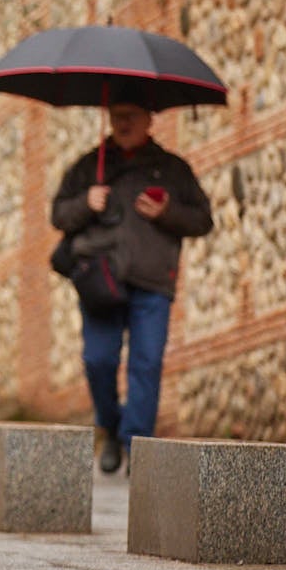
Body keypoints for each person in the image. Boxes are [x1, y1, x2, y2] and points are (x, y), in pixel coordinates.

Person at [50, 81, 213, 474]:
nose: (123, 123)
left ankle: (136, 444)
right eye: (117, 116)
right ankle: (110, 427)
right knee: (98, 360)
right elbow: (58, 215)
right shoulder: (88, 166)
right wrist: (86, 202)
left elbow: (203, 220)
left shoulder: (173, 169)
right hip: (100, 280)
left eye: (131, 117)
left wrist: (168, 211)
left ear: (148, 120)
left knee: (147, 363)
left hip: (153, 281)